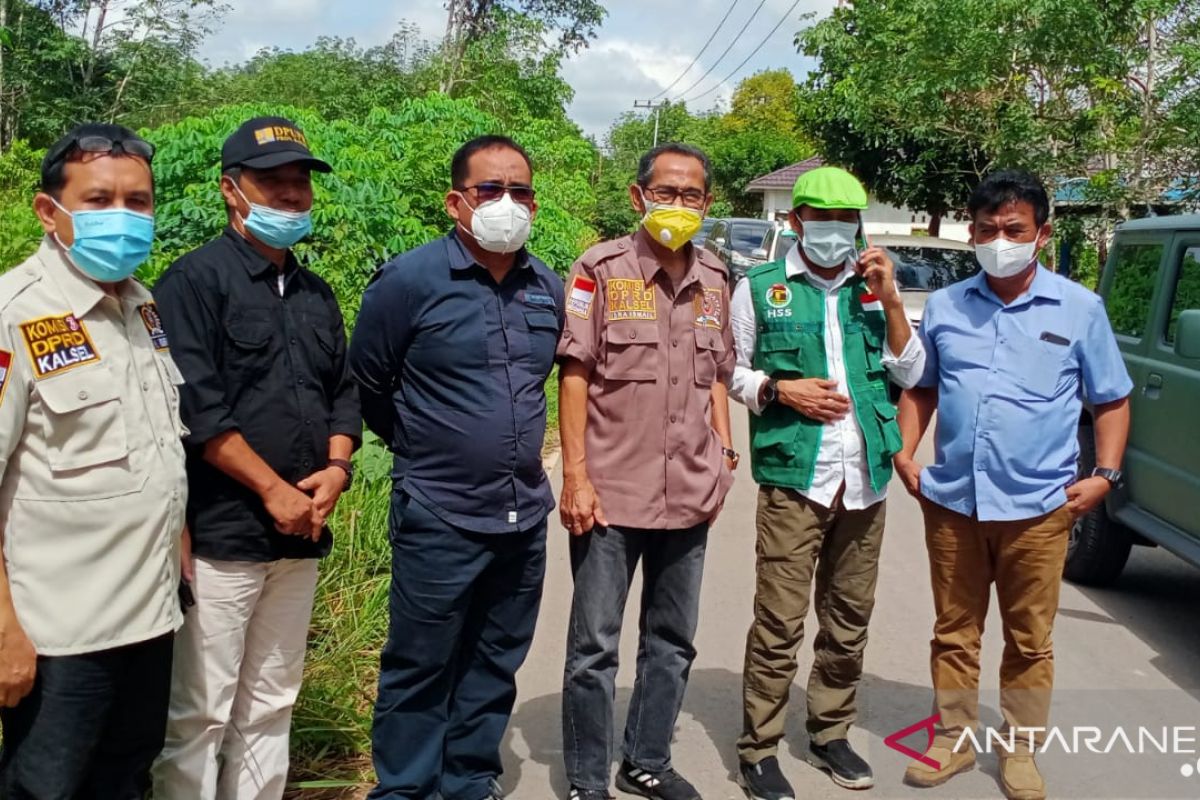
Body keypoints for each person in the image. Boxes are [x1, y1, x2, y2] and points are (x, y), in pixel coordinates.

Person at [895, 170, 1132, 800]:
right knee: (954, 630)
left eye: (1013, 230)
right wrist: (906, 450)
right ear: (972, 233)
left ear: (1042, 234)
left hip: (1038, 508)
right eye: (987, 230)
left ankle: (1022, 748)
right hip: (952, 502)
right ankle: (952, 738)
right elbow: (921, 386)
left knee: (1029, 639)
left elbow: (1111, 399)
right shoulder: (947, 306)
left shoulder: (1080, 309)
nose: (1000, 240)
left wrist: (1104, 475)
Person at [151, 116, 361, 799]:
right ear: (230, 190)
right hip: (221, 536)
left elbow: (342, 390)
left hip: (301, 535)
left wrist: (335, 470)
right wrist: (274, 492)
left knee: (272, 700)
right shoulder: (192, 282)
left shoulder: (315, 292)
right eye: (273, 181)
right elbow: (198, 409)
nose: (292, 194)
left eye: (300, 181)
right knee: (201, 711)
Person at [349, 134, 564, 800]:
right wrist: (426, 444)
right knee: (420, 665)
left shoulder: (547, 287)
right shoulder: (410, 281)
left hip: (523, 513)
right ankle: (407, 789)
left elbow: (544, 382)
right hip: (439, 511)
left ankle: (470, 780)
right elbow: (368, 383)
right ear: (455, 201)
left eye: (520, 191)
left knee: (494, 661)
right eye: (490, 190)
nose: (508, 202)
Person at [0, 123, 188, 797]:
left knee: (125, 778)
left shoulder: (142, 307)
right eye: (99, 199)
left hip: (148, 613)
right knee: (46, 787)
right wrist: (4, 632)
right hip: (59, 632)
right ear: (49, 212)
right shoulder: (14, 314)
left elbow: (158, 444)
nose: (123, 217)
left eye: (138, 202)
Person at [728, 166, 925, 799]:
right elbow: (728, 370)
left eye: (846, 222)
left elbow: (911, 368)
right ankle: (759, 748)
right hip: (795, 478)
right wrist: (779, 389)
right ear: (795, 222)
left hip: (865, 483)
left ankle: (829, 732)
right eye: (823, 220)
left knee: (848, 619)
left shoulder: (874, 292)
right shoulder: (759, 288)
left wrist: (892, 298)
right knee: (779, 622)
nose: (835, 233)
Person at [557, 142, 736, 800]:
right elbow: (574, 375)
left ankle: (647, 761)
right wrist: (575, 477)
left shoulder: (716, 277)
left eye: (691, 195)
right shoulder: (599, 270)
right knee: (594, 648)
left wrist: (725, 453)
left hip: (690, 490)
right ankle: (585, 778)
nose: (678, 205)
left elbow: (716, 374)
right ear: (639, 197)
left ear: (707, 204)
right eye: (666, 192)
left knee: (671, 641)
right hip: (610, 494)